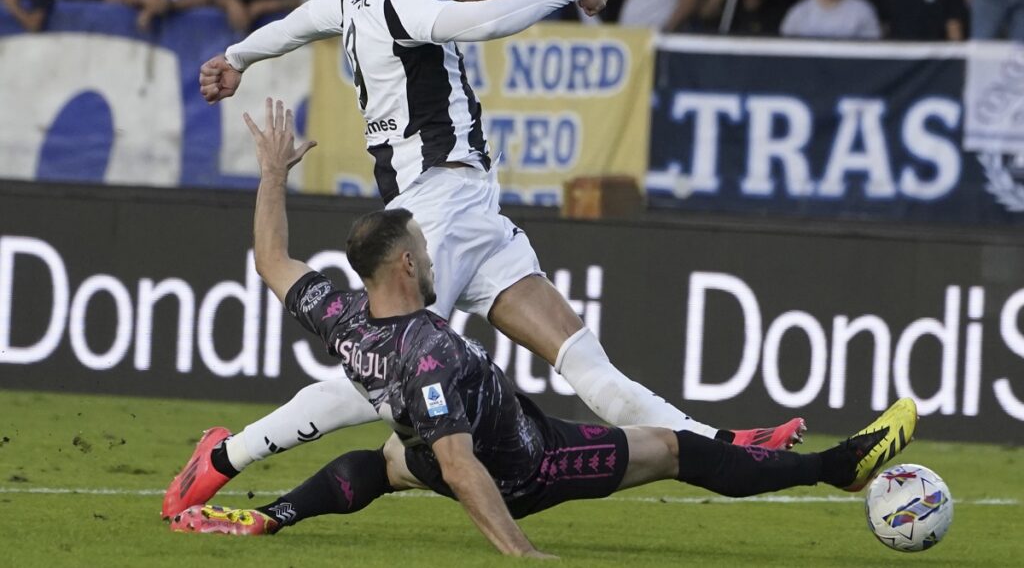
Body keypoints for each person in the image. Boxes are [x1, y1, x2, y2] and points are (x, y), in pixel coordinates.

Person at [163, 0, 807, 522]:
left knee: (587, 363)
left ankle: (720, 440)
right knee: (384, 379)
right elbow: (476, 25)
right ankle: (225, 454)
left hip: (477, 215)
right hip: (435, 209)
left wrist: (240, 57)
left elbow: (302, 19)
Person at [168, 99, 919, 558]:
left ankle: (270, 520)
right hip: (528, 464)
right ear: (402, 263)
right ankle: (836, 466)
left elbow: (272, 259)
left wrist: (273, 171)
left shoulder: (344, 316)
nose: (436, 262)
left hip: (433, 449)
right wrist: (520, 550)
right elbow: (465, 468)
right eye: (425, 252)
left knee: (393, 459)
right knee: (674, 450)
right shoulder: (426, 352)